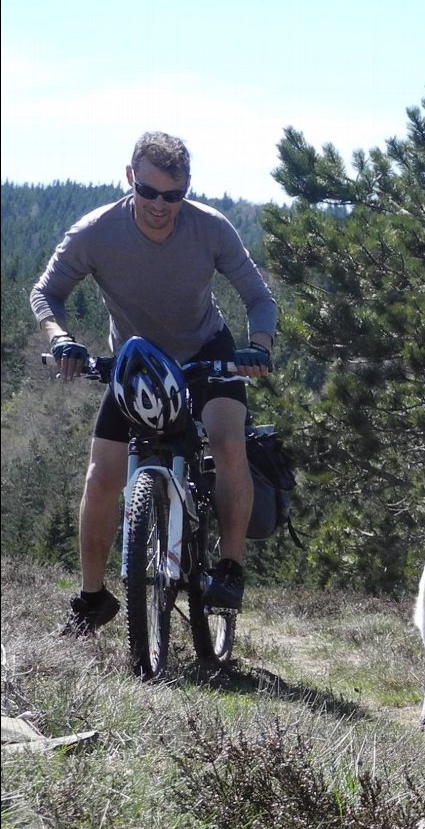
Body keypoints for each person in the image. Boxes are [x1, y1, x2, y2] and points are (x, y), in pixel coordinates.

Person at [30, 131, 278, 636]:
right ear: (130, 178)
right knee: (101, 477)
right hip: (136, 363)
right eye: (148, 192)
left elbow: (259, 297)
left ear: (187, 188)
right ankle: (93, 597)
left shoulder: (211, 229)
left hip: (207, 352)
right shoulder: (95, 232)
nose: (160, 205)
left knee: (230, 443)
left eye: (173, 195)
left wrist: (260, 347)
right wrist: (61, 340)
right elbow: (46, 294)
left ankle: (229, 569)